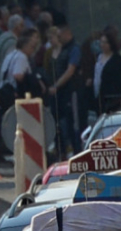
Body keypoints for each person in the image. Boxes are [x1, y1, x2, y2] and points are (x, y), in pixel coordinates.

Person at [48, 22, 81, 158]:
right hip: (60, 95)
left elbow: (70, 71)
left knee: (73, 124)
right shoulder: (62, 49)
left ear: (67, 34)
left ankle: (77, 152)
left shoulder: (74, 49)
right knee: (59, 125)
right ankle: (61, 151)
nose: (59, 38)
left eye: (60, 36)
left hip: (70, 93)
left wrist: (56, 86)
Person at [94, 31, 121, 115]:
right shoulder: (98, 57)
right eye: (101, 42)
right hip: (99, 96)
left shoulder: (118, 60)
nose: (102, 45)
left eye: (105, 42)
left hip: (112, 96)